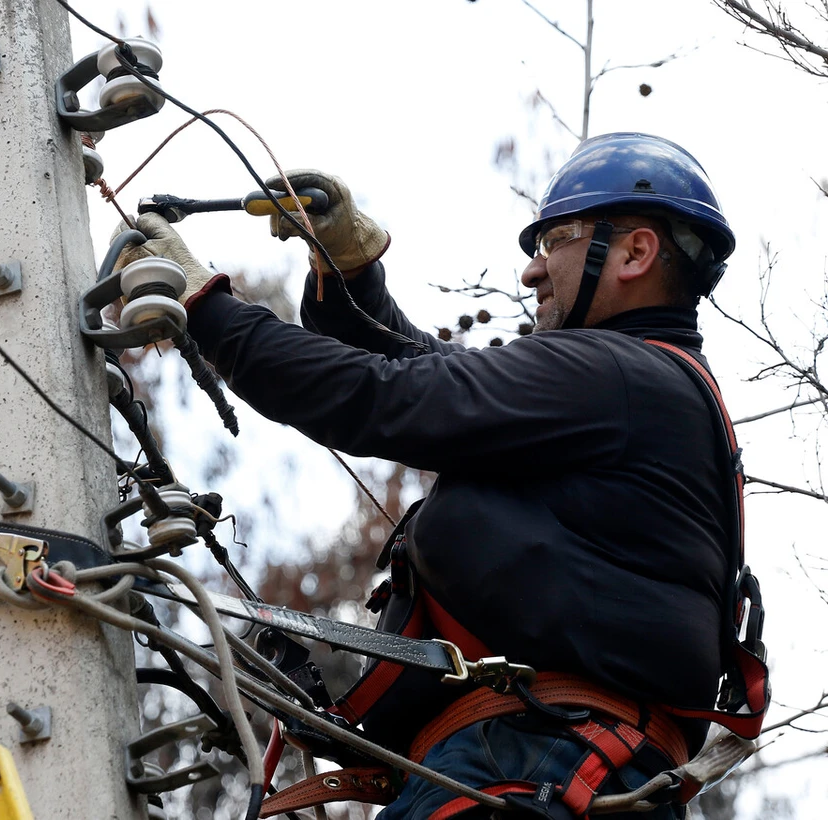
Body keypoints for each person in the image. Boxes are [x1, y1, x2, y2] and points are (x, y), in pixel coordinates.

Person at [115, 133, 765, 818]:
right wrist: (350, 281)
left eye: (556, 242)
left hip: (540, 757)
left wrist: (204, 305)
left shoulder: (621, 375)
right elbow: (428, 386)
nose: (532, 273)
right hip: (534, 763)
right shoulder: (630, 395)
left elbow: (388, 398)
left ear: (635, 252)